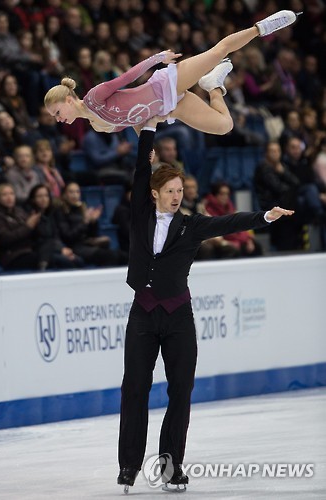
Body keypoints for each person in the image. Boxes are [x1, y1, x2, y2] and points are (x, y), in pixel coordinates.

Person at [117, 115, 294, 492]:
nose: (177, 195)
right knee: (134, 387)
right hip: (143, 315)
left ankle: (170, 466)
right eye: (170, 190)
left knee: (180, 390)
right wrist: (147, 128)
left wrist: (264, 216)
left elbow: (229, 222)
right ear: (154, 193)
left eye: (180, 189)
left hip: (179, 317)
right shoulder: (139, 213)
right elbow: (138, 169)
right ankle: (129, 465)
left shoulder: (192, 224)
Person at [44, 10, 301, 136]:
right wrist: (145, 144)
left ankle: (263, 26)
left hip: (166, 83)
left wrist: (157, 59)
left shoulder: (93, 98)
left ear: (68, 100)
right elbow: (133, 117)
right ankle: (213, 84)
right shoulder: (98, 126)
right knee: (224, 126)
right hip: (170, 107)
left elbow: (126, 78)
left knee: (217, 51)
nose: (57, 119)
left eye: (57, 112)